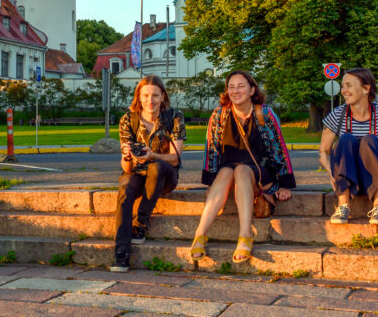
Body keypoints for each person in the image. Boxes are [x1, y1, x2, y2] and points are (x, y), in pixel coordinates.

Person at [193, 71, 295, 263]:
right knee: (226, 172)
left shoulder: (265, 114)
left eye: (241, 86)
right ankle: (200, 234)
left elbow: (279, 148)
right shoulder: (219, 115)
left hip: (259, 172)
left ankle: (245, 235)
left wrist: (285, 184)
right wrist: (210, 184)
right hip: (228, 171)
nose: (235, 91)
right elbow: (212, 150)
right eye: (231, 87)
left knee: (241, 170)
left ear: (252, 90)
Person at [111, 75, 185, 272]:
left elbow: (175, 158)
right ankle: (121, 252)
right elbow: (127, 169)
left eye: (155, 95)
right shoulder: (128, 120)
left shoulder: (174, 117)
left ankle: (141, 223)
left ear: (163, 96)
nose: (150, 100)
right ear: (138, 96)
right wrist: (127, 156)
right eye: (145, 95)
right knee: (125, 189)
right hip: (137, 173)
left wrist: (152, 155)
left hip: (165, 176)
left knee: (156, 167)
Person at [319, 68, 378, 224]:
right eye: (342, 86)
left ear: (366, 89)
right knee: (346, 139)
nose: (343, 91)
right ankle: (343, 205)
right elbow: (323, 152)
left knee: (369, 140)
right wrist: (332, 174)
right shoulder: (337, 115)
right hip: (350, 178)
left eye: (348, 85)